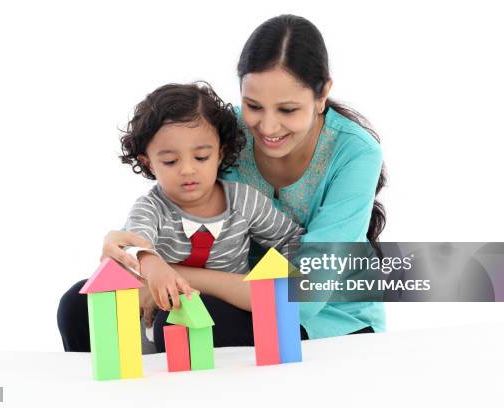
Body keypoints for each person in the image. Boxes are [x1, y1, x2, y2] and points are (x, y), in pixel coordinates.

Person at [58, 14, 386, 351]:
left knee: (191, 322)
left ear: (322, 95)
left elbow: (302, 295)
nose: (268, 127)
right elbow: (168, 205)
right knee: (79, 306)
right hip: (224, 295)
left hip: (322, 312)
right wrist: (134, 253)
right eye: (253, 105)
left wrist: (171, 274)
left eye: (288, 109)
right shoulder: (222, 132)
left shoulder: (356, 152)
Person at [59, 82, 305, 353]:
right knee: (76, 302)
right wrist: (150, 262)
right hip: (159, 315)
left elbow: (292, 239)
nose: (188, 170)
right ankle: (98, 372)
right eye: (170, 162)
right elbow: (130, 244)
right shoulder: (151, 207)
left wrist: (274, 284)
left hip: (224, 312)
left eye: (201, 157)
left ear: (220, 153)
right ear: (148, 162)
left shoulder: (243, 201)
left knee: (177, 319)